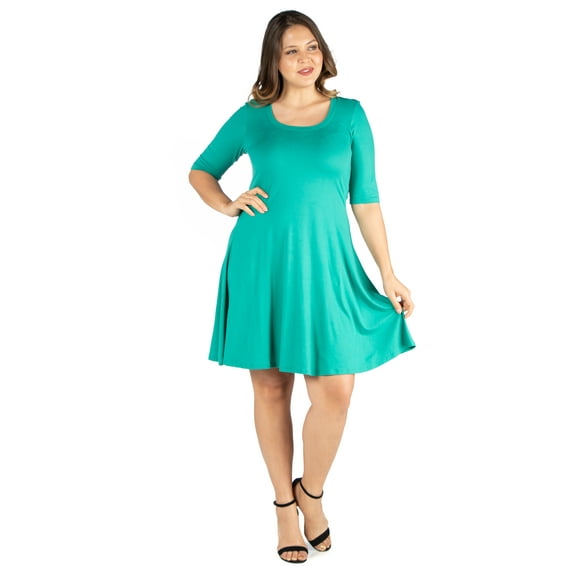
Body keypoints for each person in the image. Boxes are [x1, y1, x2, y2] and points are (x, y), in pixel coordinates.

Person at [188, 9, 415, 564]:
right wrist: (228, 204)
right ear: (274, 59)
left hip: (327, 266)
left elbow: (365, 197)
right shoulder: (253, 117)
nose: (304, 58)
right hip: (261, 262)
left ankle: (310, 493)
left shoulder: (350, 115)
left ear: (323, 52)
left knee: (335, 389)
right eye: (291, 50)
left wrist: (387, 271)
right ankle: (283, 509)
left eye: (311, 46)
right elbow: (201, 170)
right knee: (271, 388)